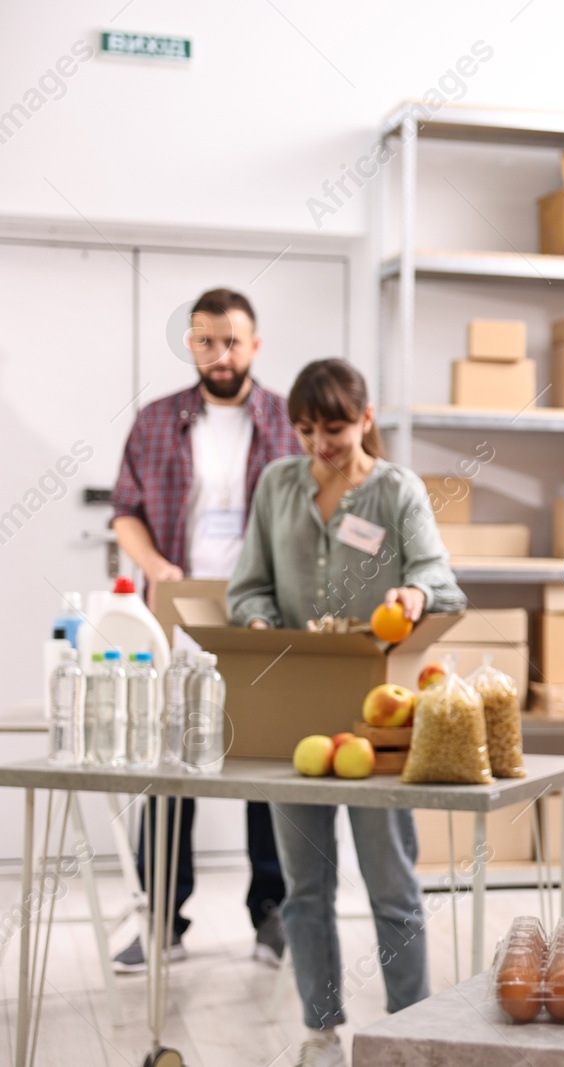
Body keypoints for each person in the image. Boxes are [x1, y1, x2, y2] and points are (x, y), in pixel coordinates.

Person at [229, 359, 464, 1067]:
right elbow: (248, 589)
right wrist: (264, 626)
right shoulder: (277, 484)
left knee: (391, 883)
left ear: (365, 418)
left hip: (377, 719)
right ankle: (322, 1030)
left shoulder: (396, 491)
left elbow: (437, 577)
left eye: (333, 428)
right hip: (293, 713)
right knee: (305, 887)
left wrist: (414, 597)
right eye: (305, 429)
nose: (318, 444)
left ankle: (409, 1030)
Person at [111, 287, 294, 972]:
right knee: (169, 768)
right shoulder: (158, 421)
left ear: (254, 343)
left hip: (261, 616)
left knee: (267, 765)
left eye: (233, 341)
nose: (220, 354)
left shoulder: (283, 419)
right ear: (191, 343)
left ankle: (273, 916)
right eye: (206, 341)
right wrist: (157, 566)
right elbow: (126, 508)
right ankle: (162, 919)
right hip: (176, 618)